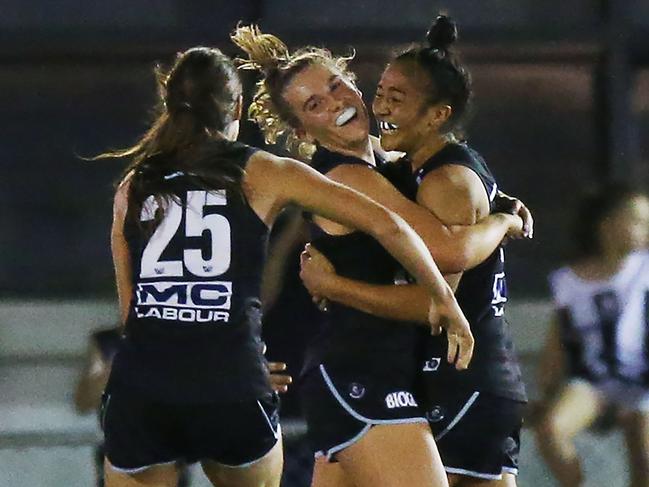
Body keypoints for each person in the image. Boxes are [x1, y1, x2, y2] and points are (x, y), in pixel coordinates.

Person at [97, 46, 472, 487]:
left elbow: (133, 318)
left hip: (144, 389)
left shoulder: (133, 185)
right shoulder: (262, 171)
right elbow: (388, 224)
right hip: (232, 383)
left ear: (169, 103)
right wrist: (444, 300)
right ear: (237, 107)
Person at [232, 25, 527, 487]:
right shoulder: (350, 177)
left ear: (351, 78)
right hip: (360, 372)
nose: (336, 101)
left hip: (375, 374)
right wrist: (502, 221)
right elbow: (446, 254)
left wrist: (495, 197)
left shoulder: (388, 163)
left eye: (335, 85)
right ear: (300, 129)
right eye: (314, 105)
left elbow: (441, 183)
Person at [535, 185, 649, 487]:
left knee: (645, 453)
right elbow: (557, 340)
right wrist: (547, 389)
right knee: (551, 431)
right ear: (608, 226)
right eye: (638, 221)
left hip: (642, 379)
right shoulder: (568, 281)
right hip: (593, 380)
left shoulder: (645, 269)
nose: (646, 230)